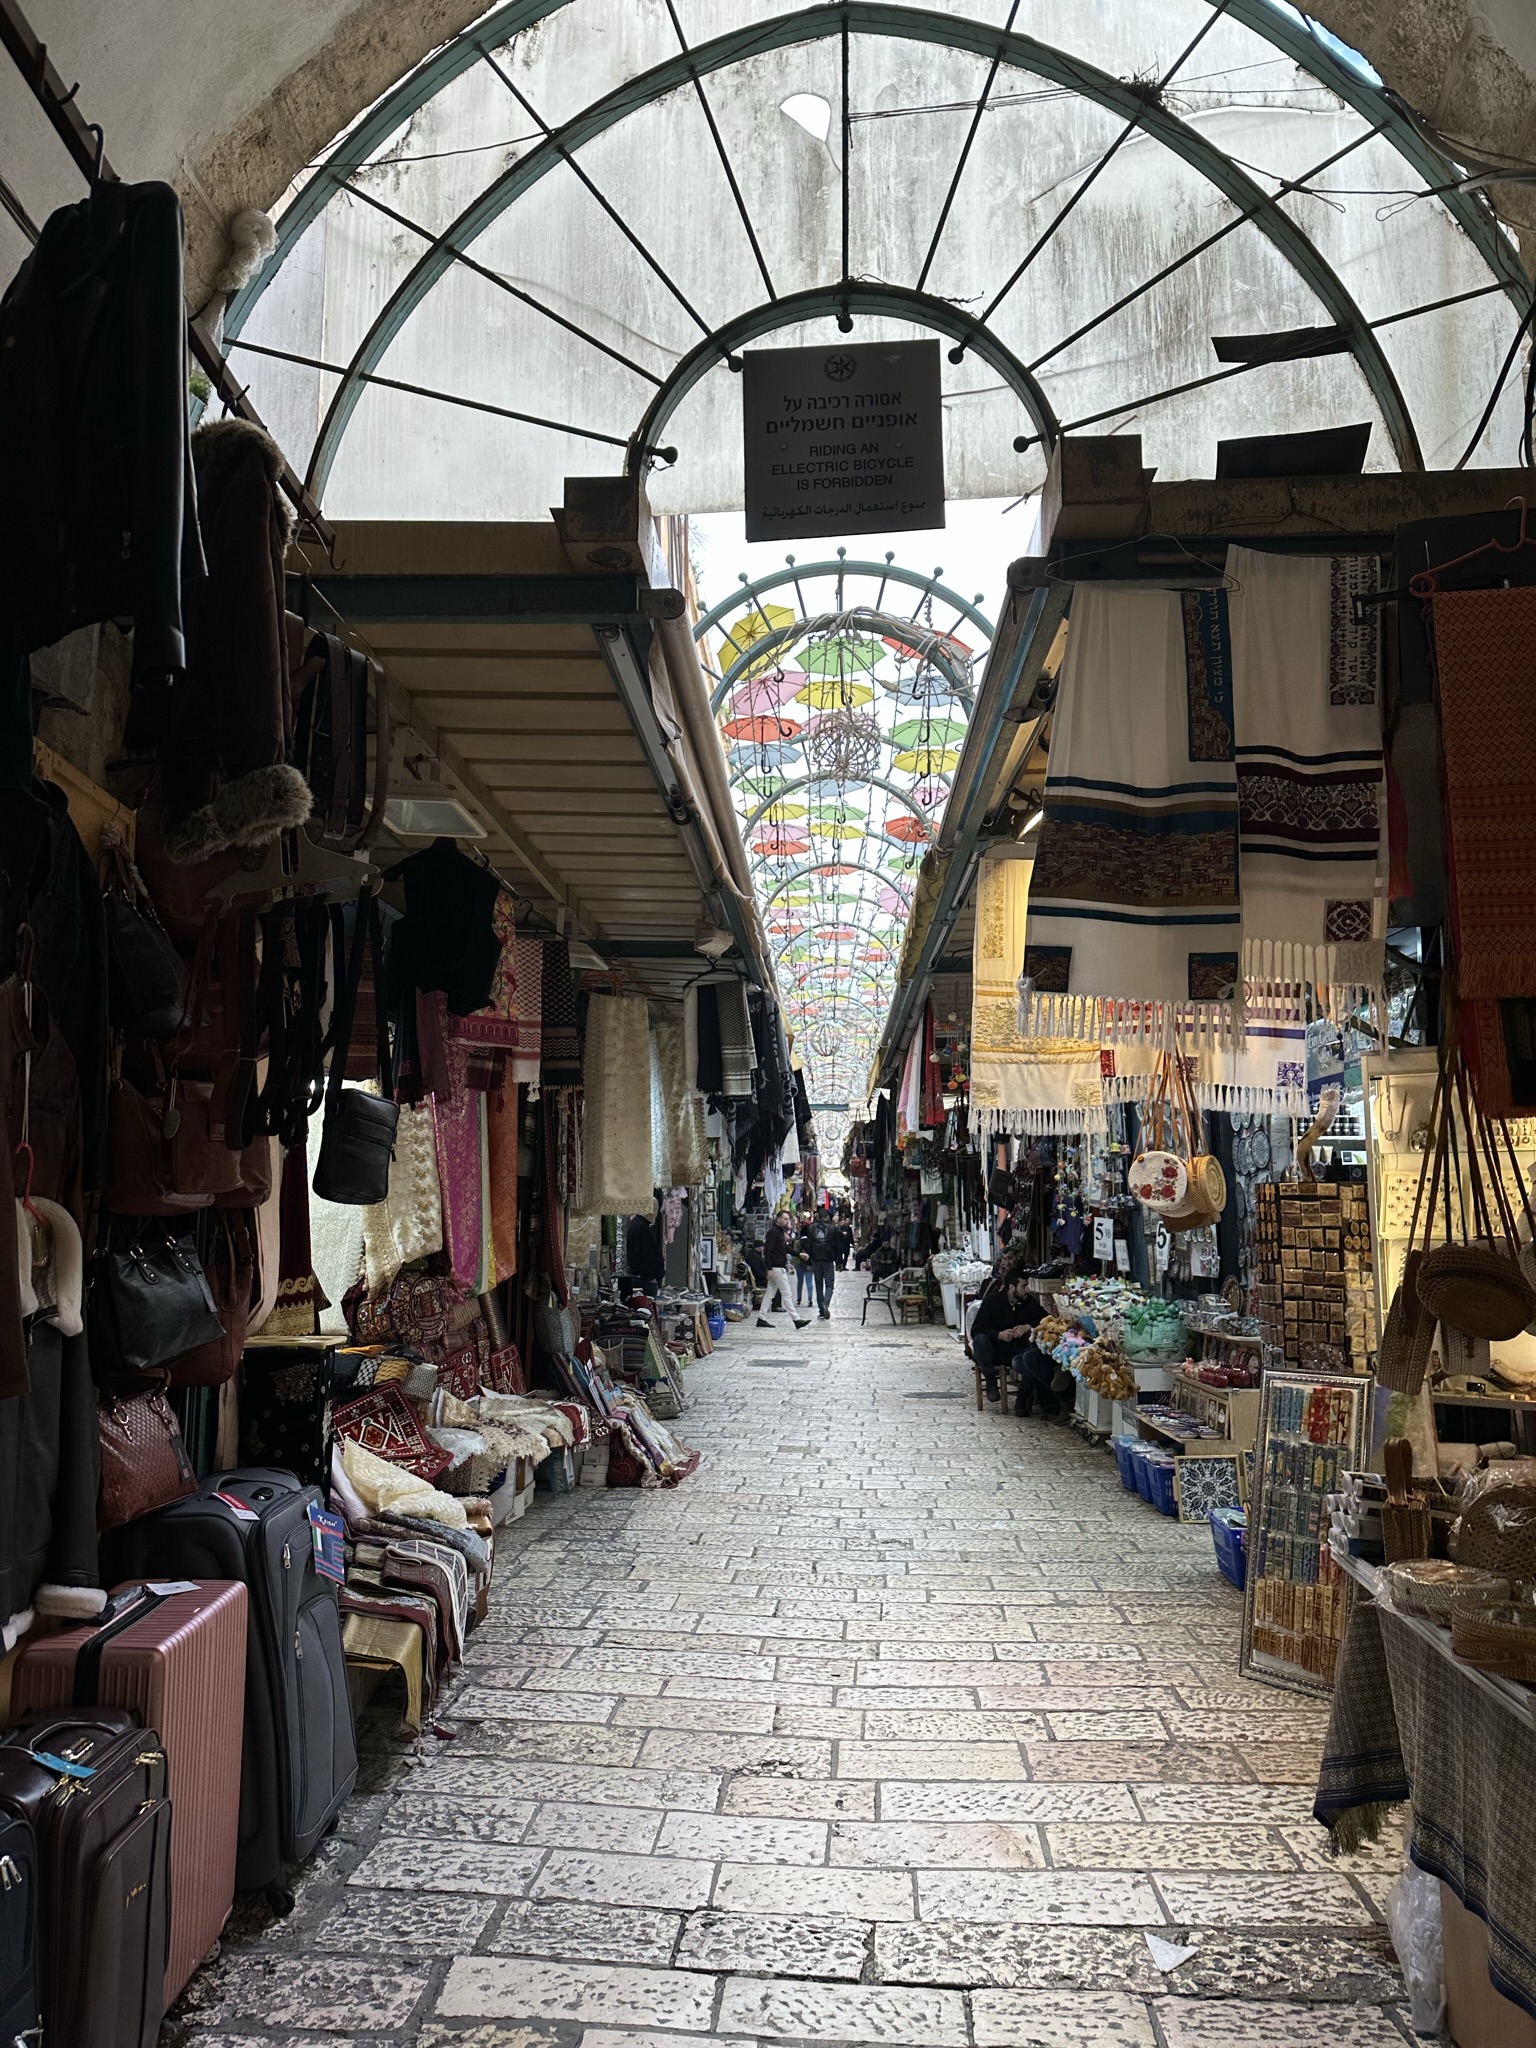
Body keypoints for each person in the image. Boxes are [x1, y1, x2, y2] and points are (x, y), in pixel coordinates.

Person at [968, 1275, 1046, 1407]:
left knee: (1032, 1356)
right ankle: (991, 1380)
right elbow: (976, 1330)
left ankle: (1023, 1398)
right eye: (1023, 1286)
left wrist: (1029, 1326)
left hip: (1015, 1351)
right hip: (992, 1352)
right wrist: (998, 1335)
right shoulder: (992, 1302)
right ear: (1011, 1287)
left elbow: (1045, 1319)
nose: (1027, 1290)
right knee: (980, 1340)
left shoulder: (1028, 1301)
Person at [757, 1212, 810, 1329]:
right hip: (776, 1268)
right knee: (787, 1293)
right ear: (779, 1219)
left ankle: (761, 1318)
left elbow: (784, 1248)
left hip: (778, 1267)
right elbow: (767, 1251)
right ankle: (796, 1319)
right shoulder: (773, 1232)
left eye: (788, 1219)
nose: (787, 1221)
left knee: (769, 1294)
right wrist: (769, 1269)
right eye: (785, 1219)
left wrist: (798, 1254)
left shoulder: (780, 1232)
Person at [806, 1208, 838, 1318]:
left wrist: (809, 1262)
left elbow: (808, 1245)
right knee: (829, 1285)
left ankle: (821, 1309)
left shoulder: (811, 1228)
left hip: (815, 1260)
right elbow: (836, 1245)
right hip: (828, 1260)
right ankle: (826, 1303)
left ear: (817, 1216)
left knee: (818, 1285)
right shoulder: (832, 1229)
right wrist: (839, 1261)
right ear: (827, 1216)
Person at [792, 1210, 814, 1308]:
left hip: (799, 1264)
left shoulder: (797, 1242)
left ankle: (799, 1299)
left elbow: (795, 1253)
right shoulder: (812, 1242)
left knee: (799, 1282)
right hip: (809, 1264)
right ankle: (810, 1299)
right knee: (809, 1282)